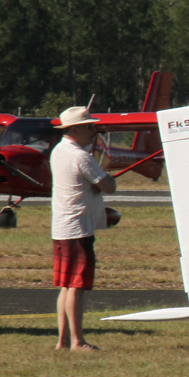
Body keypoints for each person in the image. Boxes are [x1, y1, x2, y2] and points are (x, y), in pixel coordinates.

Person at [51, 106, 116, 352]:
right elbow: (109, 186)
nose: (93, 130)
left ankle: (63, 340)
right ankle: (77, 341)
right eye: (89, 126)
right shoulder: (81, 156)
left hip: (62, 225)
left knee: (66, 285)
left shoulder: (59, 151)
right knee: (76, 285)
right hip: (78, 227)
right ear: (75, 129)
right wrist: (108, 179)